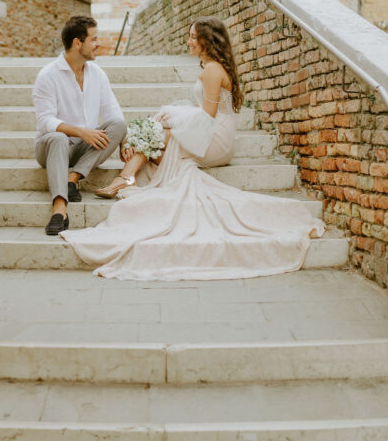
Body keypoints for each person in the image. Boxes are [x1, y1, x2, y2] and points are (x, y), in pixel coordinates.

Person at [61, 17, 326, 280]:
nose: (188, 41)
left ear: (205, 41)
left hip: (216, 138)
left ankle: (125, 178)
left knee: (155, 131)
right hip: (211, 131)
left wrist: (173, 120)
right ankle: (126, 177)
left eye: (192, 36)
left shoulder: (212, 71)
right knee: (155, 131)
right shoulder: (213, 66)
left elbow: (206, 116)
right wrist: (170, 118)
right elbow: (201, 114)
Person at [33, 16, 126, 236]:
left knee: (119, 125)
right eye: (93, 39)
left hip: (84, 147)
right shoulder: (47, 75)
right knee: (57, 137)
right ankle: (59, 208)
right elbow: (45, 121)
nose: (98, 44)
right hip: (52, 147)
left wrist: (124, 142)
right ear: (77, 43)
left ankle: (73, 179)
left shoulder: (98, 74)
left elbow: (113, 112)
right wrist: (81, 131)